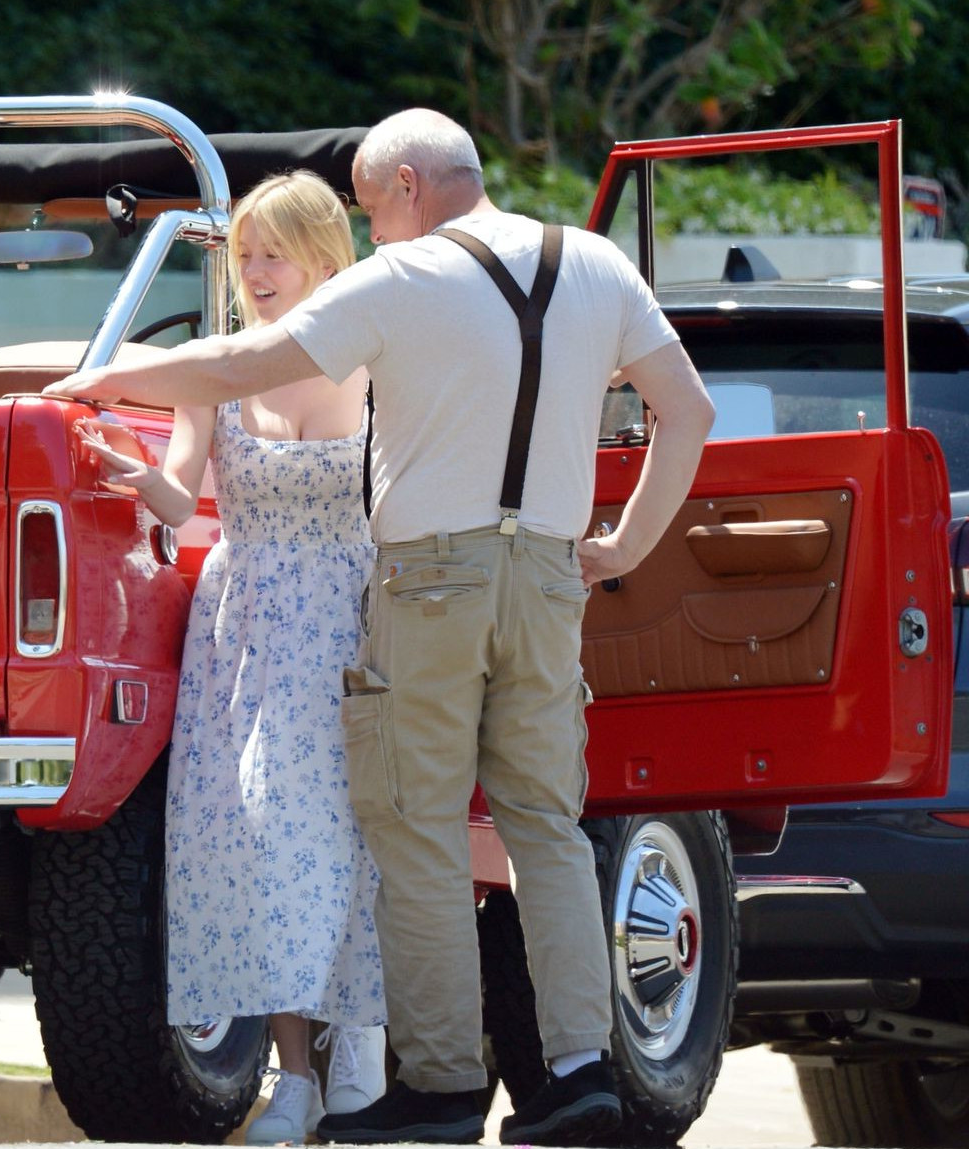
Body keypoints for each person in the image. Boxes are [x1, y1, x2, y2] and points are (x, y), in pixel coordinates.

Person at [48, 109, 714, 1147]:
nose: (373, 228)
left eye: (370, 206)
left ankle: (442, 1086)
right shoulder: (594, 263)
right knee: (545, 826)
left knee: (413, 824)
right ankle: (580, 1075)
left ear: (407, 183)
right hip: (546, 574)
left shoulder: (399, 280)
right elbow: (691, 412)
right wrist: (623, 547)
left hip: (428, 578)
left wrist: (102, 379)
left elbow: (235, 366)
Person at [76, 170, 387, 1146]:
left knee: (363, 837)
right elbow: (177, 495)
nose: (252, 270)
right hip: (247, 629)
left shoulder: (382, 360)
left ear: (326, 259)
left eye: (272, 252)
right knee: (260, 844)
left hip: (357, 624)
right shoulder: (215, 368)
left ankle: (365, 1042)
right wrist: (130, 475)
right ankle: (295, 1075)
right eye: (243, 251)